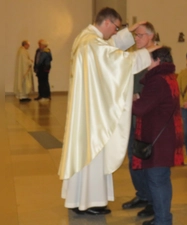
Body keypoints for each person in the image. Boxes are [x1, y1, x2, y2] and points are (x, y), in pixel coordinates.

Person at [58, 7, 157, 215]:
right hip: (92, 115)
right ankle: (91, 202)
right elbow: (114, 60)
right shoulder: (92, 44)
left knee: (83, 155)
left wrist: (128, 32)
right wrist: (146, 54)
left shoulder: (85, 39)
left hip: (86, 110)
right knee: (93, 153)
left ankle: (78, 200)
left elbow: (108, 47)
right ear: (107, 23)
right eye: (115, 27)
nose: (114, 32)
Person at [131, 46, 183, 225]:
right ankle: (162, 218)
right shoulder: (167, 77)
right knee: (161, 180)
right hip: (163, 138)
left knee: (157, 181)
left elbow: (140, 108)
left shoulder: (157, 80)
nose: (146, 63)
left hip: (158, 141)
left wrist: (130, 99)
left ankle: (163, 221)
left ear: (158, 61)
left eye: (149, 59)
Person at [121, 22, 157, 219]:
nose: (136, 39)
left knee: (146, 161)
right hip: (132, 117)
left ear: (151, 36)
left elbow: (158, 84)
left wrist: (139, 95)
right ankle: (142, 194)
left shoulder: (157, 56)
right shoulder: (135, 57)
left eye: (140, 35)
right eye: (135, 36)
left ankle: (152, 201)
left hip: (148, 118)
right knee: (133, 159)